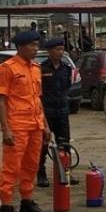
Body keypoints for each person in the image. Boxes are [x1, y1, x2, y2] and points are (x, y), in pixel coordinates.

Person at [0, 31, 53, 212]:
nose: (36, 49)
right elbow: (2, 100)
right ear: (20, 47)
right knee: (11, 168)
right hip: (17, 126)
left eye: (37, 45)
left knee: (31, 166)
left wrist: (45, 125)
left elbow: (37, 99)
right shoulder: (8, 68)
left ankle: (27, 203)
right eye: (32, 45)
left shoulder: (36, 68)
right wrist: (5, 129)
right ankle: (5, 207)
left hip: (35, 124)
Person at [34, 38, 74, 189]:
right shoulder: (41, 68)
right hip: (47, 112)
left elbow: (67, 88)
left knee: (64, 144)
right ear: (49, 51)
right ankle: (41, 174)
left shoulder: (66, 68)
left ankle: (65, 172)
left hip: (62, 111)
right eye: (57, 49)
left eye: (62, 49)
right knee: (43, 145)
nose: (60, 52)